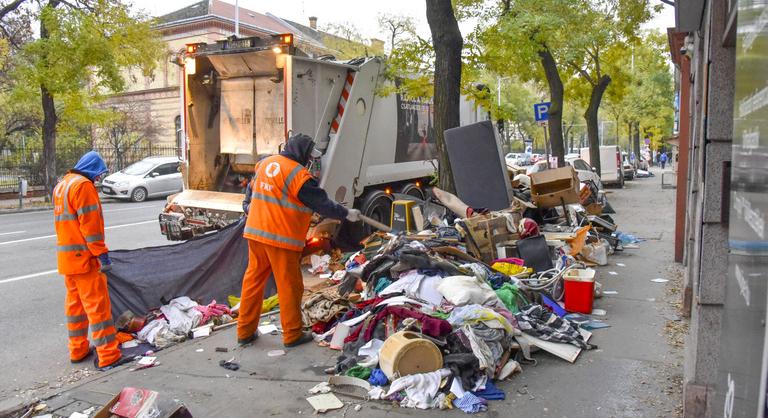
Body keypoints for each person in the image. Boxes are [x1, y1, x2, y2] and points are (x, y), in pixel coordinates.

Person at [237, 134, 361, 348]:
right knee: (289, 286)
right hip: (280, 239)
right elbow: (322, 204)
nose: (310, 160)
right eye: (309, 156)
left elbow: (251, 195)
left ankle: (244, 331)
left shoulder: (265, 164)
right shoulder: (297, 175)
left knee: (253, 282)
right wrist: (346, 213)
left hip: (255, 234)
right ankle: (292, 334)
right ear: (303, 153)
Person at [53, 151, 123, 370]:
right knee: (98, 308)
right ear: (92, 170)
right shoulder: (83, 186)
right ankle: (108, 355)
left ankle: (78, 349)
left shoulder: (62, 184)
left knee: (76, 307)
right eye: (98, 174)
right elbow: (90, 228)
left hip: (68, 260)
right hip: (85, 259)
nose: (98, 179)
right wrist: (101, 254)